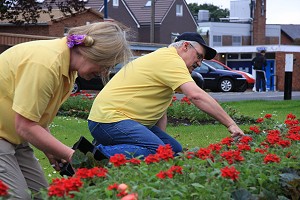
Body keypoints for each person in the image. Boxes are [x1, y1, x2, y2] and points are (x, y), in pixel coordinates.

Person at [0, 21, 132, 199]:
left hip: (14, 137)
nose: (104, 72)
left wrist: (51, 150)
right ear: (91, 53)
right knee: (17, 197)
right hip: (5, 135)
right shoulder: (45, 64)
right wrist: (72, 156)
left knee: (45, 194)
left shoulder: (69, 71)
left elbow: (36, 117)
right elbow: (25, 125)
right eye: (105, 65)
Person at [88, 32, 245, 159]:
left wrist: (159, 140)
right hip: (108, 121)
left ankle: (106, 151)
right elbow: (196, 95)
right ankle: (89, 155)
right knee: (158, 151)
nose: (199, 64)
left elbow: (160, 111)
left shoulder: (165, 60)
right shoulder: (171, 59)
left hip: (117, 121)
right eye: (199, 56)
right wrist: (231, 124)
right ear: (185, 46)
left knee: (173, 151)